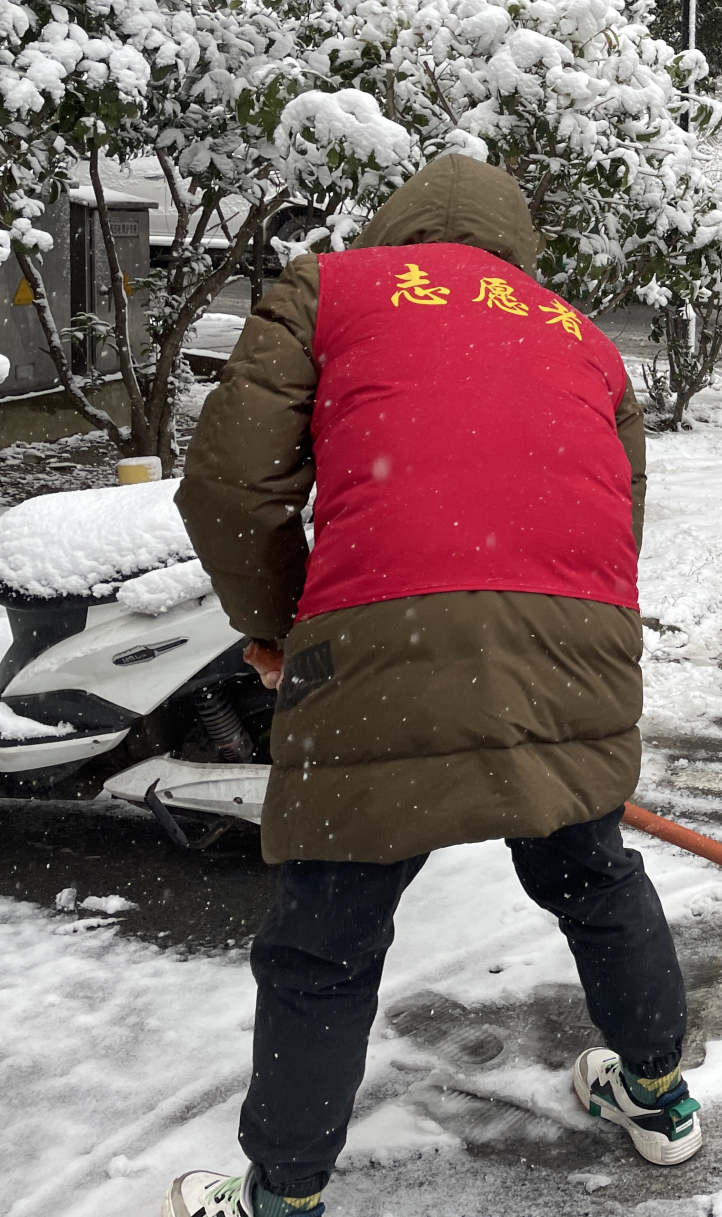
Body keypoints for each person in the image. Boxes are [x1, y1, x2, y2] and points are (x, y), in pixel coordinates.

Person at [166, 156, 695, 1217]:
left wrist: (275, 631)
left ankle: (283, 1196)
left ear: (395, 227)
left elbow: (228, 489)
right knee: (595, 877)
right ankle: (659, 1098)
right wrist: (557, 635)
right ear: (519, 242)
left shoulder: (331, 289)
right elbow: (621, 514)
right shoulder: (582, 337)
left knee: (327, 937)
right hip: (573, 644)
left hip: (379, 648)